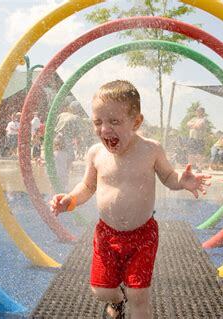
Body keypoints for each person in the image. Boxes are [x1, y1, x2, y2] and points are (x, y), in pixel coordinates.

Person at [49, 80, 211, 319]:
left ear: (136, 122)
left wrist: (181, 181)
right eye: (98, 122)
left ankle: (133, 303)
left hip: (142, 236)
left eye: (114, 121)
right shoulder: (95, 153)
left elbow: (168, 175)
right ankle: (118, 300)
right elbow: (87, 186)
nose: (105, 129)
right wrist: (70, 199)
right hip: (106, 234)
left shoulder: (150, 150)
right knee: (101, 290)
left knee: (139, 296)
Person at [186, 106, 207, 171]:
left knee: (199, 153)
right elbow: (187, 124)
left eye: (199, 111)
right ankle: (190, 167)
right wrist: (194, 125)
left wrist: (192, 125)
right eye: (197, 111)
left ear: (202, 112)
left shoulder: (204, 119)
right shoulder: (193, 118)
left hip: (200, 139)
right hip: (192, 138)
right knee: (190, 153)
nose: (197, 112)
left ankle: (199, 168)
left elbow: (198, 126)